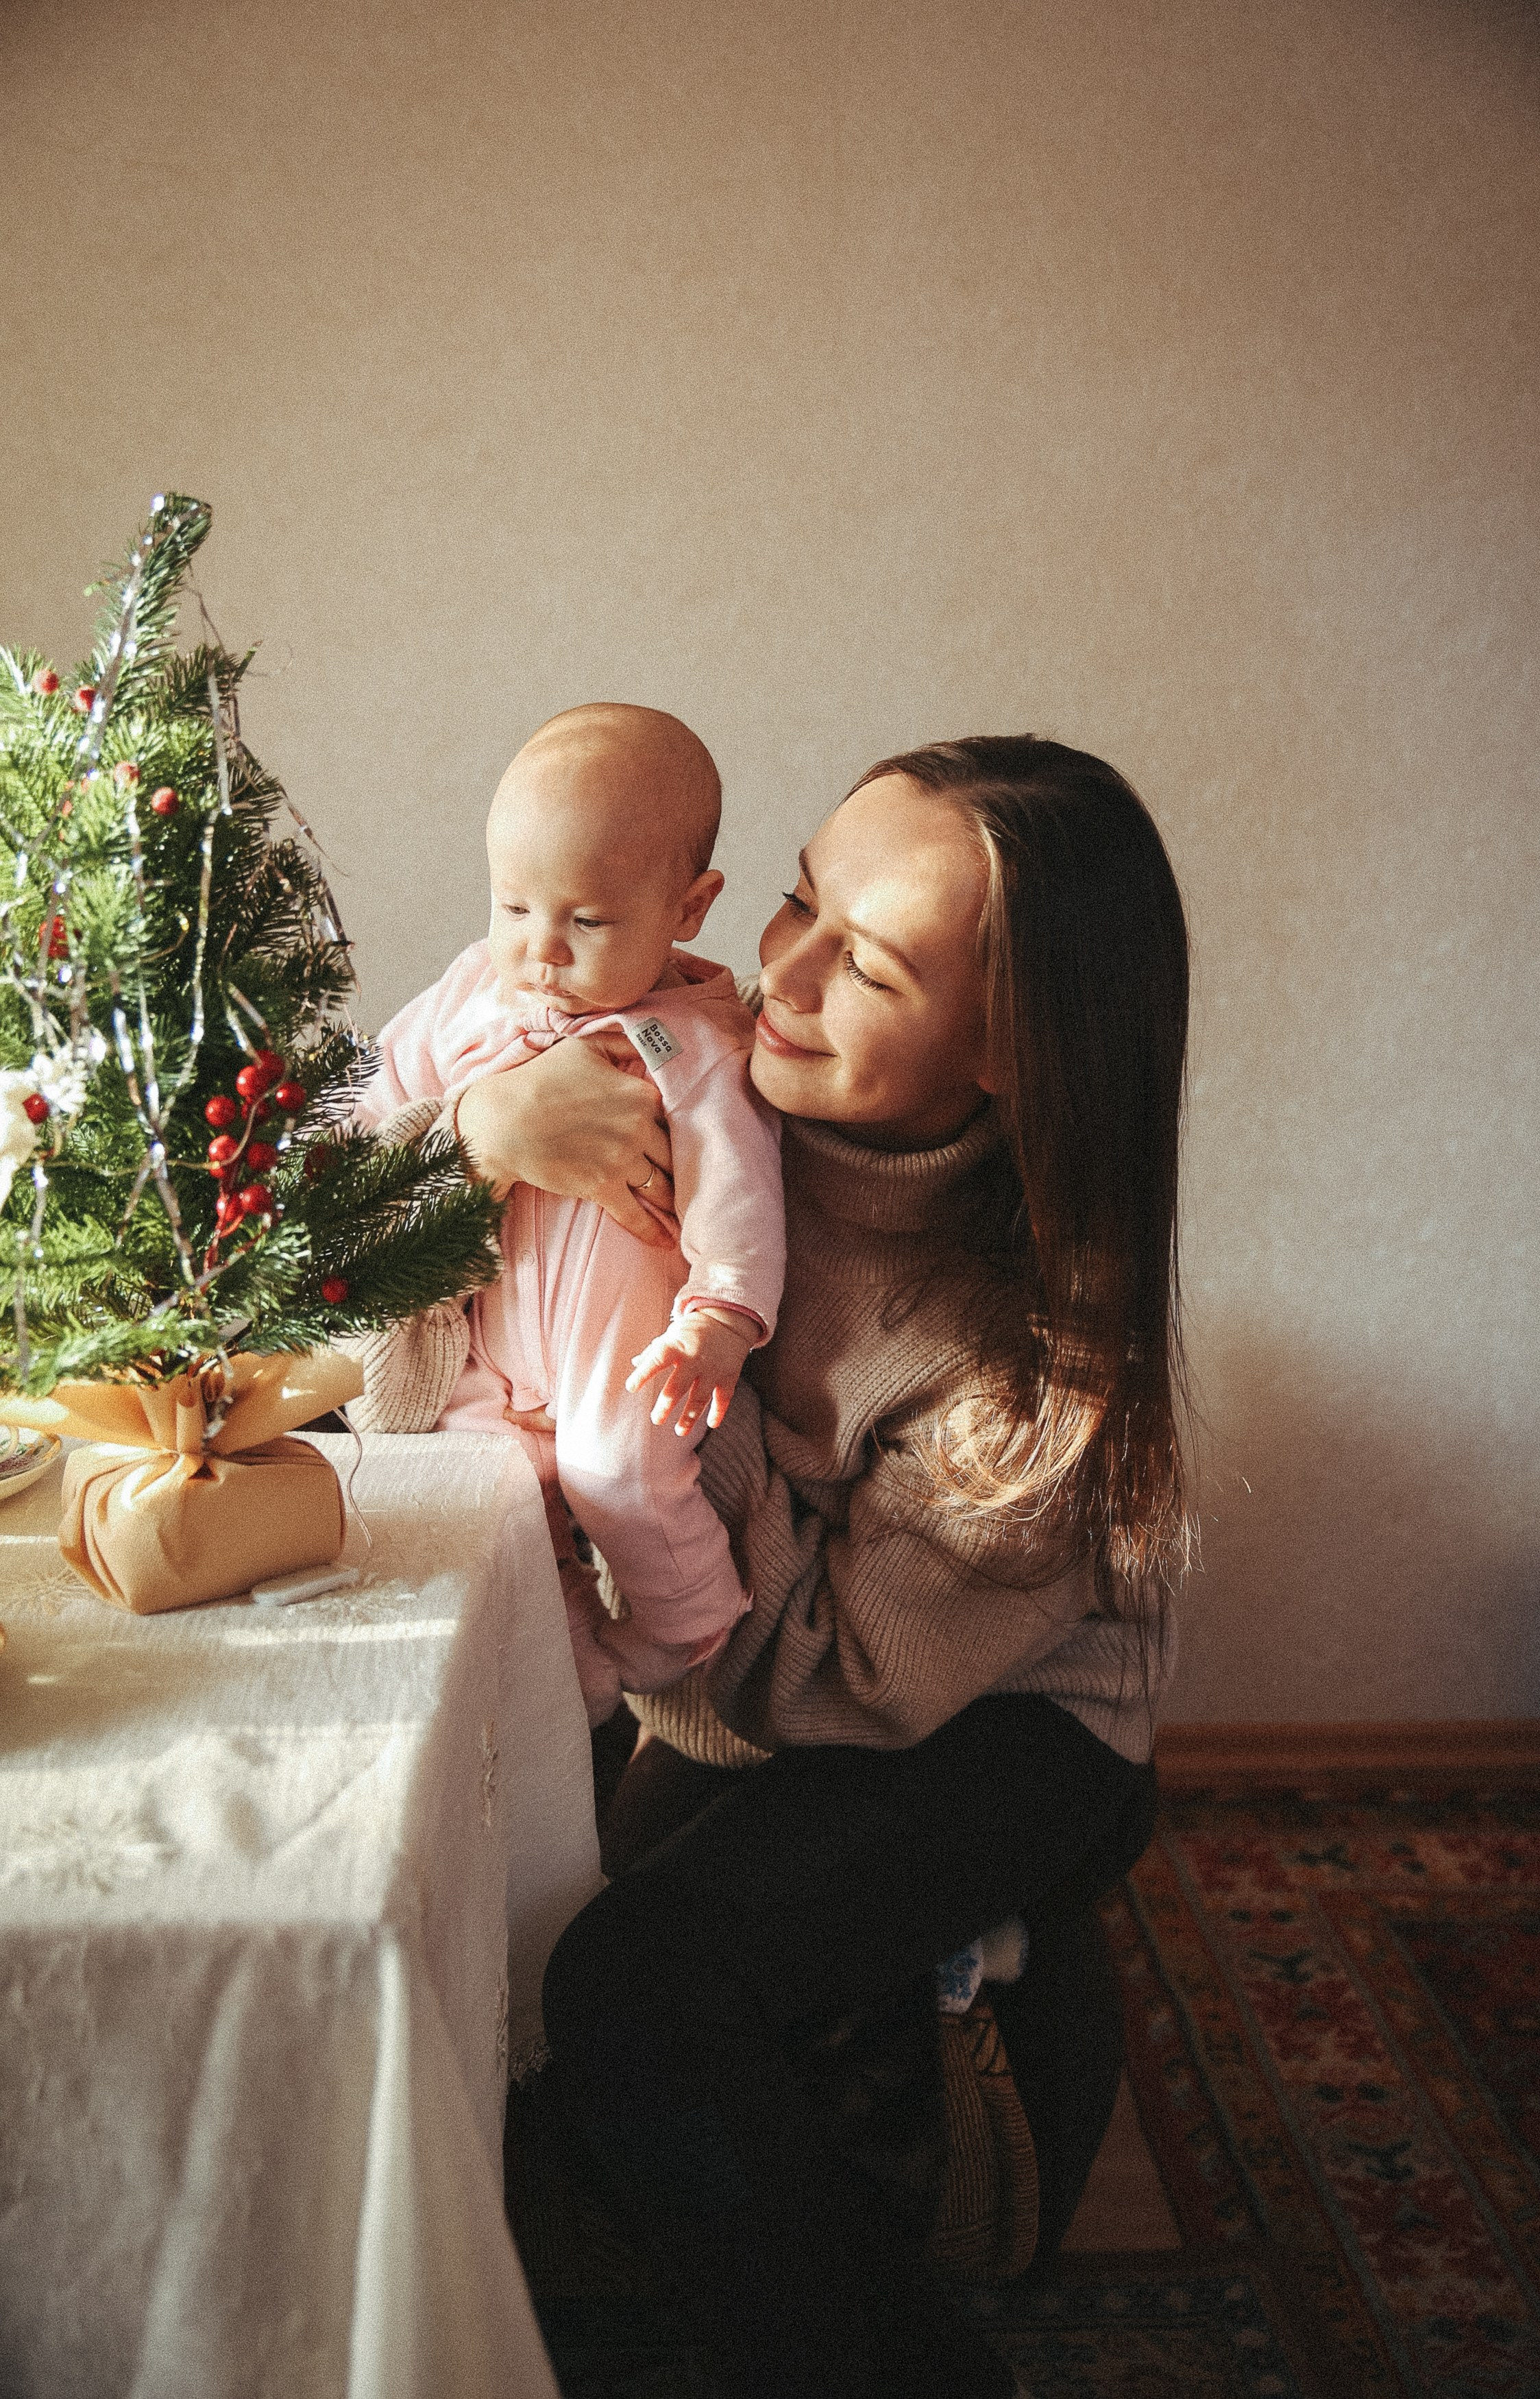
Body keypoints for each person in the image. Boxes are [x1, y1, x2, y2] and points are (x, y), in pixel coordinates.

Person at [456, 734, 1190, 2399]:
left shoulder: (1033, 1364)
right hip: (740, 1636)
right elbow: (424, 1343)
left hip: (985, 1715)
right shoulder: (717, 1074)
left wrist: (662, 1404)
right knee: (490, 1843)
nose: (779, 969)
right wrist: (483, 1138)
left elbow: (815, 1682)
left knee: (627, 1984)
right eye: (798, 896)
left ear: (1014, 1047)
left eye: (864, 960)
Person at [352, 701, 785, 1722]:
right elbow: (374, 1122)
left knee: (615, 1470)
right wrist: (455, 1125)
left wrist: (719, 1318)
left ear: (689, 905)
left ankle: (687, 1620)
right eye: (513, 908)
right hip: (481, 1337)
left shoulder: (690, 1041)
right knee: (478, 1497)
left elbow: (739, 1187)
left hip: (615, 1348)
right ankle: (570, 1664)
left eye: (586, 921)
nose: (540, 950)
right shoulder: (467, 995)